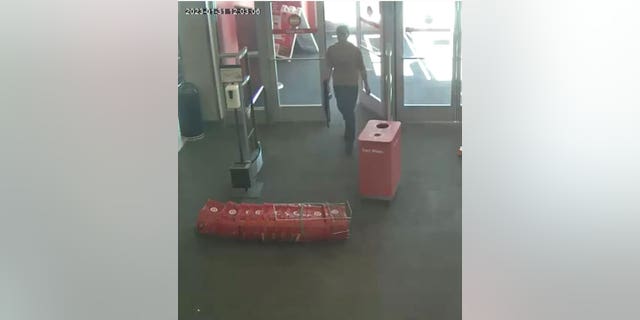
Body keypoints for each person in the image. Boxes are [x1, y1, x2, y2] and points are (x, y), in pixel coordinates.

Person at [324, 25, 371, 155]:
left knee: (349, 110)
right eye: (339, 34)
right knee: (341, 107)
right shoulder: (331, 50)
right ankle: (348, 123)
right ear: (337, 35)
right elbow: (328, 67)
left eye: (344, 34)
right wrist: (326, 83)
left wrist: (366, 84)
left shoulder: (355, 51)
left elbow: (362, 68)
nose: (341, 36)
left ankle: (350, 140)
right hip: (338, 83)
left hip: (351, 84)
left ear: (347, 35)